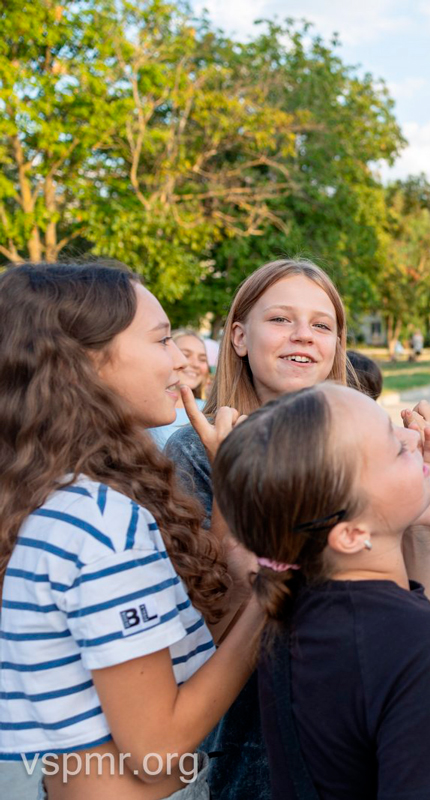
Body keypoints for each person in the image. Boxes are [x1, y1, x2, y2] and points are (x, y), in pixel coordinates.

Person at [0, 263, 264, 799]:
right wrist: (273, 596)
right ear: (86, 362)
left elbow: (174, 648)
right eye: (162, 340)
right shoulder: (100, 521)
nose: (182, 361)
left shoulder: (63, 497)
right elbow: (157, 746)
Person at [211, 384, 430, 800]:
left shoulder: (291, 605)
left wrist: (423, 529)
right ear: (349, 534)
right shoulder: (415, 642)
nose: (414, 435)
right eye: (395, 448)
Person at [165, 258, 353, 800]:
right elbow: (214, 622)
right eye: (281, 319)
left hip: (344, 716)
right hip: (244, 735)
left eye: (321, 325)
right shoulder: (194, 451)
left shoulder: (364, 444)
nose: (303, 334)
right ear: (239, 338)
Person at [149, 329, 209, 448]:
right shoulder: (144, 407)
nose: (196, 364)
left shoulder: (211, 408)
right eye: (185, 355)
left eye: (202, 359)